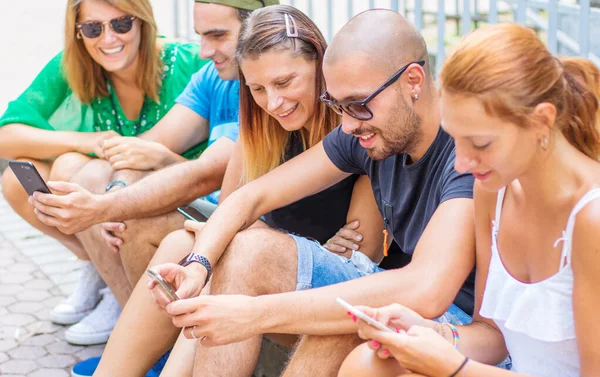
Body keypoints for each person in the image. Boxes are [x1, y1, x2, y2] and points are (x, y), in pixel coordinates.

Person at [151, 9, 476, 377]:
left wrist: (253, 314)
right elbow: (250, 198)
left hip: (462, 330)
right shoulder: (368, 129)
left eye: (357, 105)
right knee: (246, 249)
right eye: (338, 106)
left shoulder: (468, 149)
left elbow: (427, 288)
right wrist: (198, 265)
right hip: (394, 296)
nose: (348, 125)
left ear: (412, 81)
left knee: (347, 320)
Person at [74, 5, 384, 377]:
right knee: (184, 248)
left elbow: (359, 256)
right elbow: (233, 206)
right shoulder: (261, 127)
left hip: (314, 297)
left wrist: (243, 235)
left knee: (226, 254)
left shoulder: (354, 132)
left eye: (284, 83)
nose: (272, 102)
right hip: (263, 272)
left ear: (319, 63)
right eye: (257, 89)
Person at [339, 23, 600, 377]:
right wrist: (432, 333)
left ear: (542, 121)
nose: (461, 163)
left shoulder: (591, 217)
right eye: (454, 139)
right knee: (368, 364)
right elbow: (493, 334)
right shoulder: (493, 192)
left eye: (479, 144)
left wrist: (455, 368)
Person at [0, 0, 209, 345]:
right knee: (17, 180)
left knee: (75, 168)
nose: (108, 38)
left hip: (177, 196)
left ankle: (123, 311)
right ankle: (100, 268)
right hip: (110, 199)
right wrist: (89, 140)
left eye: (121, 24)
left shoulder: (187, 61)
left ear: (142, 22)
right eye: (94, 28)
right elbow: (6, 135)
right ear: (79, 32)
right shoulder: (78, 63)